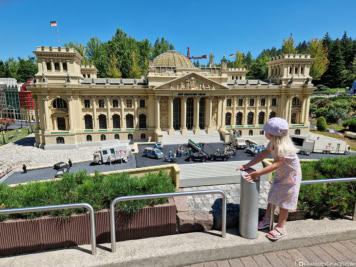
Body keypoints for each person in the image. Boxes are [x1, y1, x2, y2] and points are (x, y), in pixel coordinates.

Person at [236, 117, 301, 241]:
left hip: (290, 177)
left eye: (265, 131)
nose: (264, 133)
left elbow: (275, 165)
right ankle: (267, 219)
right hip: (282, 174)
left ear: (271, 134)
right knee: (272, 197)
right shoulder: (273, 142)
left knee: (284, 203)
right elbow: (262, 155)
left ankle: (281, 227)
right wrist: (247, 165)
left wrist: (257, 173)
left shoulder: (284, 148)